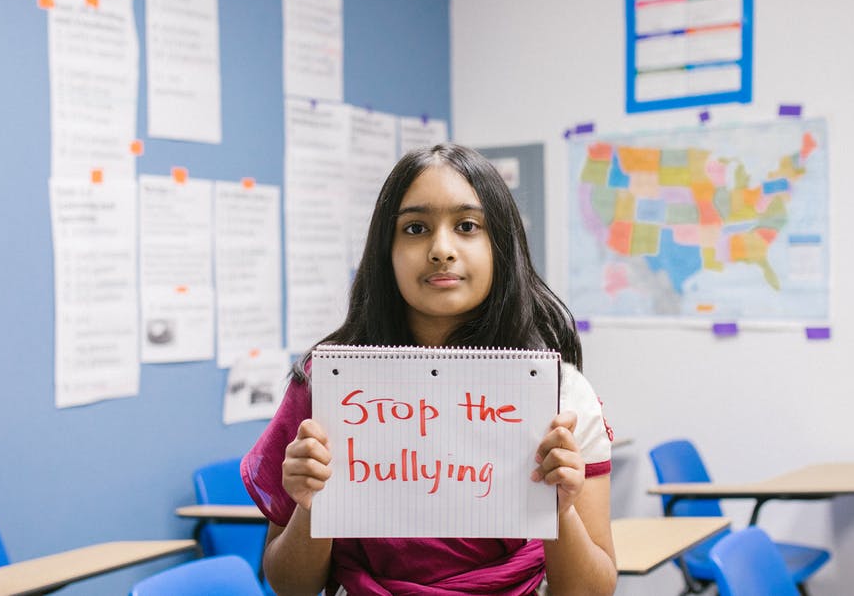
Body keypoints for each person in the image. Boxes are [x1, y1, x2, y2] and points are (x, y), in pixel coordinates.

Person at [241, 143, 617, 595]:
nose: (441, 249)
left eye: (467, 226)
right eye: (415, 228)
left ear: (501, 244)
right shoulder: (327, 385)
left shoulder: (561, 397)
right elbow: (290, 586)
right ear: (386, 250)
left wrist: (562, 511)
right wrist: (310, 508)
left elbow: (593, 590)